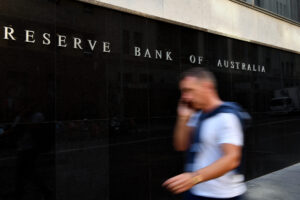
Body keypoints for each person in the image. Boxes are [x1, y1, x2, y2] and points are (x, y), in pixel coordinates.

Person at [163, 67, 248, 200]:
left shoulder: (226, 117)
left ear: (207, 87)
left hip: (224, 195)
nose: (185, 97)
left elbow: (232, 159)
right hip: (197, 191)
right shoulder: (197, 115)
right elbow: (181, 146)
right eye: (183, 92)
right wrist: (182, 118)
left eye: (189, 90)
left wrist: (193, 178)